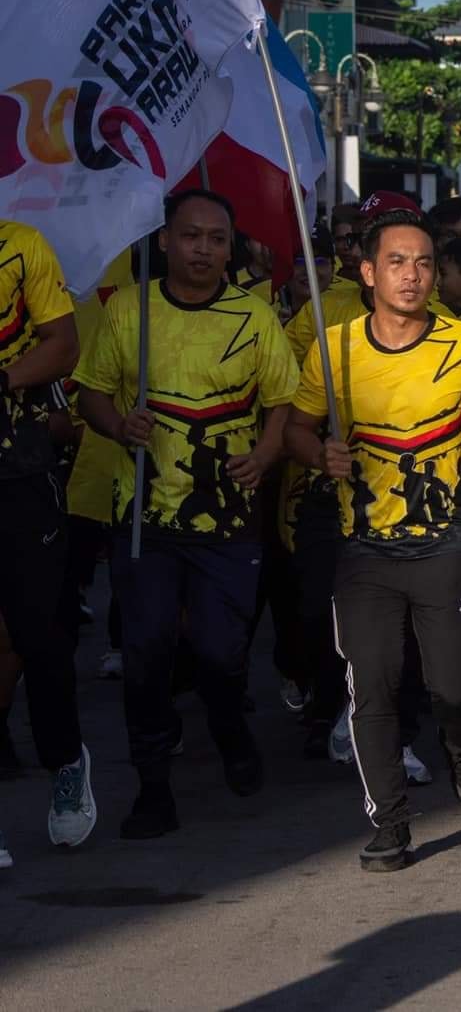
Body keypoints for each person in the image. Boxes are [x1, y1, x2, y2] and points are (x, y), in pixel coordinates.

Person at [284, 208, 461, 872]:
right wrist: (319, 454)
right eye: (397, 261)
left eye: (424, 262)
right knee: (374, 684)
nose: (412, 275)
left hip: (444, 542)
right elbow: (296, 429)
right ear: (368, 272)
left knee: (452, 686)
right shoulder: (333, 348)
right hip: (363, 548)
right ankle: (390, 823)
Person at [73, 191, 298, 839]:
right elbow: (90, 394)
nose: (203, 249)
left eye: (216, 239)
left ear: (231, 249)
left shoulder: (254, 317)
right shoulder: (130, 311)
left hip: (229, 518)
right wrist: (119, 424)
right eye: (191, 236)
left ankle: (229, 729)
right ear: (165, 240)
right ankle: (152, 789)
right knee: (146, 653)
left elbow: (282, 402)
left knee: (221, 654)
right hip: (144, 515)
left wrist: (265, 453)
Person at [0, 214, 88, 854]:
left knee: (36, 632)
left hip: (20, 469)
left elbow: (63, 345)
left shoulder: (22, 244)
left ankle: (66, 760)